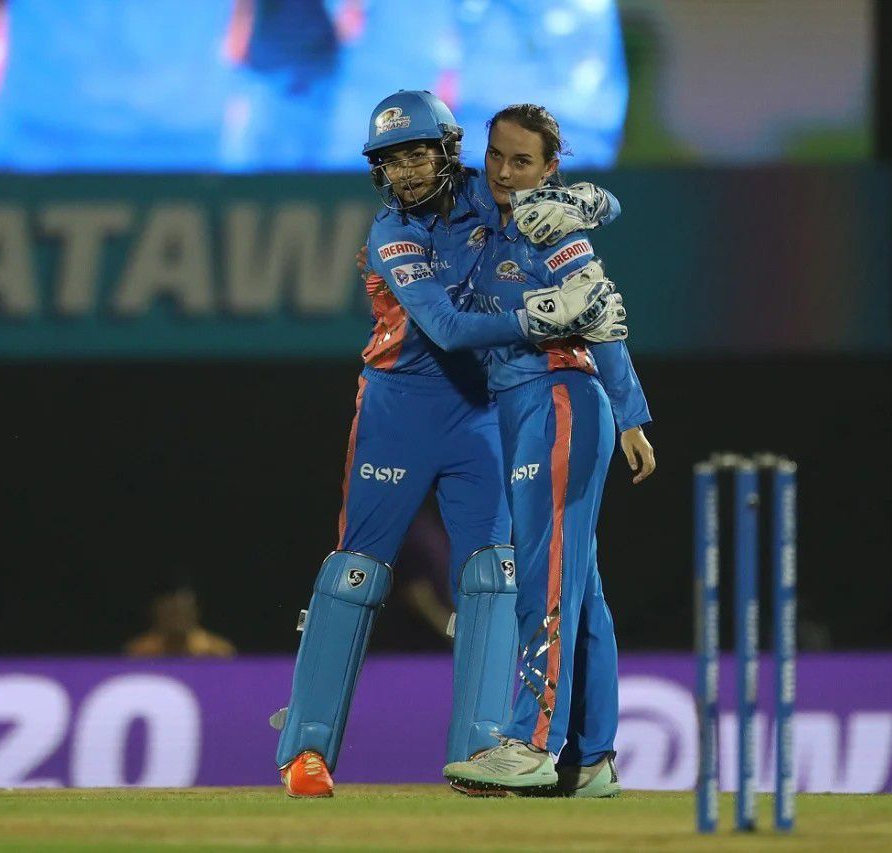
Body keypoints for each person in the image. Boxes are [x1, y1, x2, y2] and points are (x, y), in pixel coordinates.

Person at [274, 90, 623, 798]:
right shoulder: (390, 234)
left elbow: (572, 207)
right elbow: (448, 328)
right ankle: (306, 748)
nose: (404, 171)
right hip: (398, 408)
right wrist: (545, 314)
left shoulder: (487, 192)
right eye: (390, 159)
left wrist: (589, 204)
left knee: (495, 573)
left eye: (416, 153)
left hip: (483, 413)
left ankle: (480, 747)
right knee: (356, 572)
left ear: (448, 150)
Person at [435, 104, 655, 798]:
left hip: (561, 400)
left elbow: (605, 321)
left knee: (545, 581)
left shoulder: (555, 232)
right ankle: (590, 761)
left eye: (521, 161)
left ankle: (531, 744)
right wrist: (599, 197)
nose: (503, 171)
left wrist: (632, 417)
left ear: (549, 168)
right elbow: (602, 201)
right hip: (520, 411)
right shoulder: (481, 209)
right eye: (496, 155)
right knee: (579, 591)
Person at [123, 587, 236, 658]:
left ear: (195, 613)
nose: (177, 620)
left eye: (182, 612)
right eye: (170, 613)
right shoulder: (139, 651)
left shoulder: (217, 650)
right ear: (157, 615)